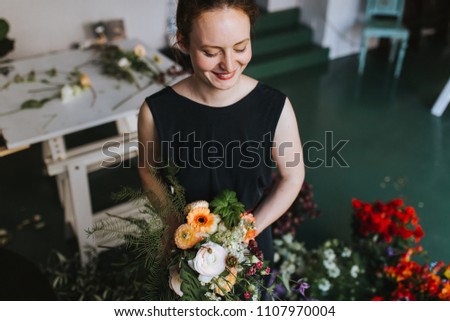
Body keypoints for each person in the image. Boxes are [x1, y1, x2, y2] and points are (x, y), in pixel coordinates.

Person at [137, 0, 304, 266]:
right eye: (211, 52)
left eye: (240, 47)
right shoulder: (156, 111)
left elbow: (293, 177)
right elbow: (149, 170)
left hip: (251, 246)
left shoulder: (276, 107)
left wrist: (246, 233)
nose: (228, 64)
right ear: (182, 41)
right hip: (185, 247)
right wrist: (175, 227)